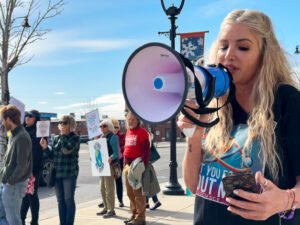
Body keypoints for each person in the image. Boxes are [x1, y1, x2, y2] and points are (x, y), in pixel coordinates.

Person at [177, 9, 300, 225]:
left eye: (243, 47)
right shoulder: (213, 102)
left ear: (264, 54)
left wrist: (284, 200)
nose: (228, 55)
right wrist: (193, 136)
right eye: (223, 46)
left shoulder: (287, 101)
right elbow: (193, 186)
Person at [40, 115, 80, 225]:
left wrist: (62, 136)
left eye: (65, 123)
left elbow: (66, 150)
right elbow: (52, 156)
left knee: (68, 200)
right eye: (60, 122)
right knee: (60, 201)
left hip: (69, 173)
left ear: (70, 125)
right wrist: (45, 148)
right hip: (57, 174)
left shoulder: (75, 138)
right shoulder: (56, 138)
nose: (62, 124)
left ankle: (68, 223)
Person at [0, 105, 32, 225]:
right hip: (8, 184)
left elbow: (22, 165)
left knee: (13, 220)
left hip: (14, 185)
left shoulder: (21, 137)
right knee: (3, 217)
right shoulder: (13, 135)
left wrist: (10, 181)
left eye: (3, 120)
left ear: (9, 119)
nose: (2, 123)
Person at [123, 111, 150, 225]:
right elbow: (126, 148)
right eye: (129, 118)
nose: (131, 120)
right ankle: (134, 214)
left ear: (138, 120)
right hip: (127, 166)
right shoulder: (128, 131)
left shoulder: (142, 132)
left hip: (137, 166)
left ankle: (140, 218)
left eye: (133, 118)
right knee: (130, 193)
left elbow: (146, 151)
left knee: (138, 193)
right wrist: (124, 163)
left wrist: (142, 165)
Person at [21, 110, 43, 225]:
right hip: (22, 169)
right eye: (26, 116)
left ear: (36, 119)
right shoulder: (22, 130)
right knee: (24, 195)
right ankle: (21, 219)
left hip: (33, 168)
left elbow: (36, 152)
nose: (27, 118)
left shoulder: (39, 132)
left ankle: (34, 221)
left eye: (30, 116)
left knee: (31, 194)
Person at [95, 119, 119, 218]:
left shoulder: (113, 137)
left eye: (104, 126)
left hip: (109, 166)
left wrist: (111, 157)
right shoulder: (100, 137)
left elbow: (116, 153)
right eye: (100, 126)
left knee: (109, 189)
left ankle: (111, 209)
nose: (102, 128)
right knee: (102, 188)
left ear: (109, 127)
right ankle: (106, 207)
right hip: (101, 166)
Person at [145, 130, 161, 211]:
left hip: (146, 163)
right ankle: (146, 203)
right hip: (148, 163)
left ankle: (156, 201)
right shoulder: (147, 135)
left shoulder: (145, 135)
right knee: (146, 183)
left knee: (147, 183)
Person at [111, 118, 125, 207]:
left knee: (118, 180)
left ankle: (120, 200)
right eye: (113, 127)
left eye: (117, 127)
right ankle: (106, 200)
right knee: (107, 181)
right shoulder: (106, 136)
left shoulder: (121, 135)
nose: (115, 129)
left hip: (118, 161)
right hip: (109, 161)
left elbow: (123, 149)